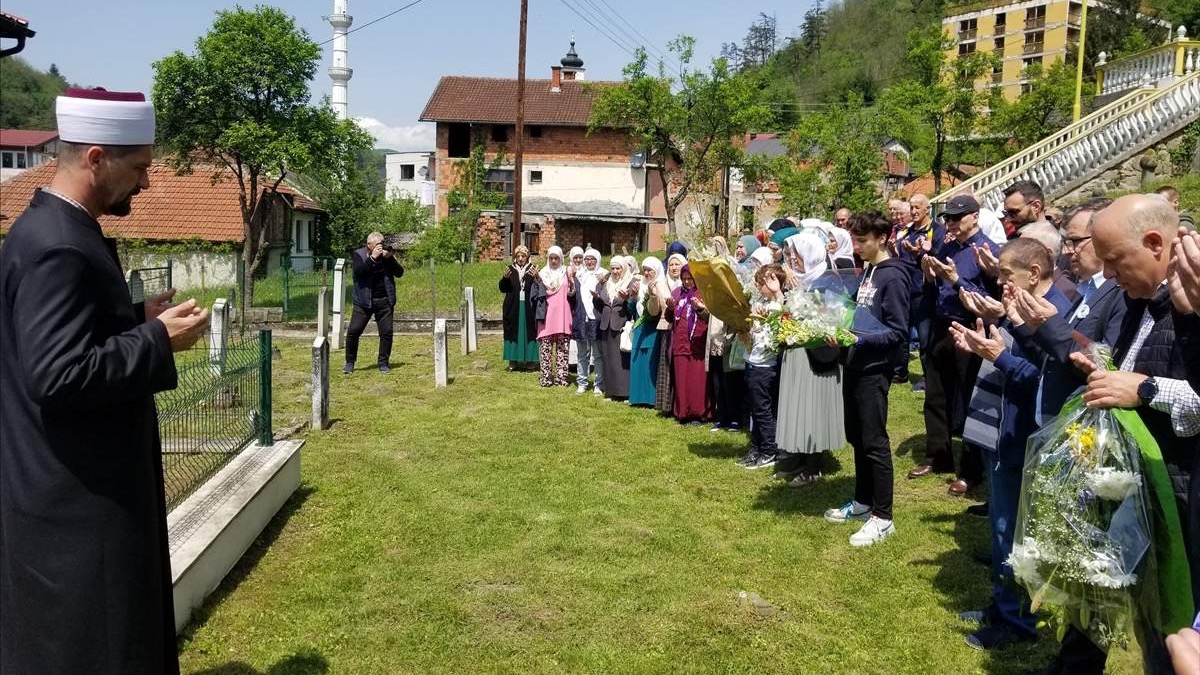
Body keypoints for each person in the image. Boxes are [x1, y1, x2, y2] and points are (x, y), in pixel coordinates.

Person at [0, 88, 211, 675]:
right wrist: (155, 340)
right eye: (139, 167)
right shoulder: (58, 248)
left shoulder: (55, 229)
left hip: (75, 488)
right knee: (97, 646)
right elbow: (57, 373)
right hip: (76, 507)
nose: (145, 184)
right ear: (95, 158)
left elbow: (59, 341)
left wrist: (131, 320)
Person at [1067, 195, 1200, 675]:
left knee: (1179, 626)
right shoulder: (1137, 301)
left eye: (1114, 261)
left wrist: (1143, 389)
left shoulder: (1190, 306)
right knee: (1150, 618)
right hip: (1139, 486)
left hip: (1180, 495)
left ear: (1154, 243)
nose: (1109, 274)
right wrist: (1105, 369)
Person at [952, 238, 1074, 651]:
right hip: (1000, 433)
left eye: (1006, 274)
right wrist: (982, 344)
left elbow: (1048, 383)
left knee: (1015, 531)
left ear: (1034, 274)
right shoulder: (1020, 305)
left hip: (1022, 436)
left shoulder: (1053, 312)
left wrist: (1000, 355)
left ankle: (1017, 619)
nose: (999, 282)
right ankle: (1002, 603)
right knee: (1001, 525)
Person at [823, 212, 911, 547]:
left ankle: (883, 517)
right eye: (855, 240)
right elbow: (860, 316)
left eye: (863, 241)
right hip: (854, 364)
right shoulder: (870, 271)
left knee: (874, 441)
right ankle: (862, 501)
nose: (856, 246)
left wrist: (858, 340)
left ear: (883, 238)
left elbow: (897, 332)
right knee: (856, 436)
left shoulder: (894, 277)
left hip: (874, 370)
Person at [910, 194, 999, 496]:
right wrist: (930, 275)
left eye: (957, 218)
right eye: (948, 218)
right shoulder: (946, 245)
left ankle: (972, 470)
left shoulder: (987, 251)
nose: (951, 224)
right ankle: (938, 455)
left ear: (975, 216)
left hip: (970, 326)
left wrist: (958, 279)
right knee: (936, 393)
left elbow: (992, 299)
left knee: (971, 398)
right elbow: (935, 286)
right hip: (941, 323)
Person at [769, 231, 847, 480]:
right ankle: (799, 458)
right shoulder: (799, 281)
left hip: (818, 356)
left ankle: (813, 466)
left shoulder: (828, 279)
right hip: (797, 354)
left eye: (796, 254)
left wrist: (800, 293)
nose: (792, 259)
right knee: (798, 407)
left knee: (814, 409)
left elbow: (833, 319)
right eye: (790, 254)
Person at [737, 264, 787, 467]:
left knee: (763, 410)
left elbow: (778, 327)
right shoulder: (763, 303)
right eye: (759, 281)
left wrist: (777, 292)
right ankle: (756, 447)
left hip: (766, 366)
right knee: (756, 410)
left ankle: (769, 450)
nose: (760, 285)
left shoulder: (778, 305)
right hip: (754, 361)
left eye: (764, 282)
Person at [896, 194, 947, 391]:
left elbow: (940, 259)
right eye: (912, 207)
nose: (914, 211)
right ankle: (900, 372)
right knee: (901, 333)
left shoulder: (937, 231)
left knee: (925, 338)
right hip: (904, 289)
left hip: (925, 292)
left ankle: (929, 377)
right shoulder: (906, 231)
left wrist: (922, 253)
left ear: (928, 209)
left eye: (918, 207)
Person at [344, 231, 405, 374]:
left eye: (382, 243)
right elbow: (359, 272)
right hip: (363, 301)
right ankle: (350, 362)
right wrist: (372, 258)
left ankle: (383, 362)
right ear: (369, 245)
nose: (380, 246)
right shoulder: (359, 254)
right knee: (354, 331)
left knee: (386, 332)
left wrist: (390, 259)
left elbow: (400, 273)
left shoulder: (386, 256)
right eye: (378, 244)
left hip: (384, 300)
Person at [668, 265, 713, 423]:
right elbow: (672, 317)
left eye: (690, 279)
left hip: (697, 343)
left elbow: (711, 318)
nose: (687, 282)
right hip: (680, 343)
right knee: (682, 377)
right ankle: (683, 412)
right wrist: (669, 307)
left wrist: (700, 308)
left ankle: (698, 412)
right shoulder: (678, 294)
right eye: (684, 279)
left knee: (697, 379)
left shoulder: (704, 293)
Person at [596, 256, 638, 401]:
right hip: (606, 325)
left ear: (624, 268)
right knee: (608, 359)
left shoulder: (631, 282)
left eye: (618, 268)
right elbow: (601, 305)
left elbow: (634, 308)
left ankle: (625, 392)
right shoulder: (606, 283)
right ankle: (611, 392)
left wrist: (628, 298)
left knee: (622, 360)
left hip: (621, 325)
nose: (615, 271)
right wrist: (596, 297)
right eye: (612, 268)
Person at [629, 257, 667, 406]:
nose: (646, 273)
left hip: (652, 330)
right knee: (638, 363)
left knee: (651, 363)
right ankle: (637, 398)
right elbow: (631, 311)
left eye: (650, 270)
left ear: (656, 271)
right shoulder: (640, 286)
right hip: (640, 330)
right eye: (644, 270)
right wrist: (633, 297)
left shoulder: (660, 285)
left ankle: (650, 399)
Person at [534, 246, 574, 387]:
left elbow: (572, 292)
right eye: (551, 258)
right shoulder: (541, 274)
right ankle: (546, 378)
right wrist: (535, 279)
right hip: (546, 316)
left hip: (563, 315)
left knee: (562, 349)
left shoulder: (566, 273)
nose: (554, 260)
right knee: (545, 348)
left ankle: (561, 378)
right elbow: (535, 294)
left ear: (561, 258)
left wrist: (572, 280)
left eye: (556, 258)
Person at [656, 253, 688, 415]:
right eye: (671, 265)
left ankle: (680, 403)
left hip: (683, 330)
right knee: (667, 366)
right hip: (666, 328)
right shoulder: (661, 284)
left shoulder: (689, 285)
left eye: (677, 264)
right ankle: (667, 404)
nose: (674, 268)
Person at [571, 248, 606, 395]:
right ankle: (582, 382)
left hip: (596, 319)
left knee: (597, 354)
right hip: (581, 317)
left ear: (597, 260)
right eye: (587, 259)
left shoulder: (604, 275)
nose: (590, 262)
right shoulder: (579, 275)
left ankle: (598, 384)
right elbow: (573, 296)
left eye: (593, 259)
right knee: (582, 354)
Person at [499, 245, 540, 371]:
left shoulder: (533, 269)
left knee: (530, 331)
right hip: (513, 306)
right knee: (512, 331)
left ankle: (530, 360)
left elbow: (540, 288)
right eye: (518, 256)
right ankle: (513, 360)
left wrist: (538, 277)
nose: (521, 258)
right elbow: (502, 288)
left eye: (523, 256)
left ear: (527, 257)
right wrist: (505, 278)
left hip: (529, 306)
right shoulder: (510, 269)